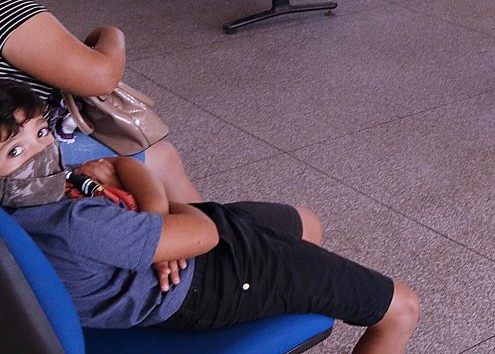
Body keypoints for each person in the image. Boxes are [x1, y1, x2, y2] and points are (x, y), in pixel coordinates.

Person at [0, 83, 420, 350]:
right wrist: (162, 219)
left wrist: (157, 219)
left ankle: (287, 281)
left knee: (306, 223)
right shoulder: (73, 223)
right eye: (15, 150)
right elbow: (204, 233)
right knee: (401, 307)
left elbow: (124, 164)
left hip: (171, 250)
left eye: (41, 132)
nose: (40, 152)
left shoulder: (28, 201)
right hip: (200, 285)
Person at [0, 0, 201, 201]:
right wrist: (112, 34)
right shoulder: (8, 10)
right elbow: (101, 77)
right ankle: (209, 231)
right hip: (17, 154)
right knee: (161, 156)